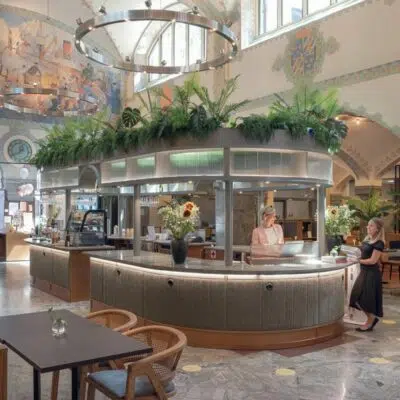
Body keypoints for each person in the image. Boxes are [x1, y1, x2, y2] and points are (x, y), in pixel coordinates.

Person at [349, 217, 385, 332]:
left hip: (371, 274)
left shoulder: (379, 243)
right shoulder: (367, 240)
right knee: (355, 297)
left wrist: (357, 261)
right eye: (368, 225)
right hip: (364, 272)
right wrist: (355, 257)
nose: (368, 227)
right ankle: (371, 319)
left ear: (377, 229)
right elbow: (364, 255)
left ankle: (370, 321)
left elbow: (373, 261)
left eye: (371, 226)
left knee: (366, 299)